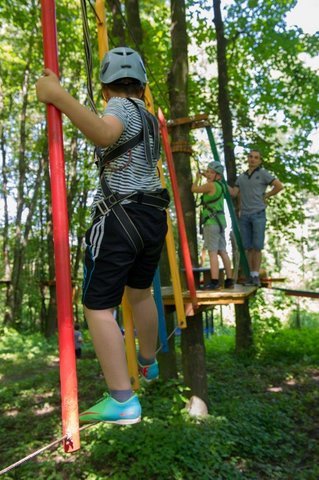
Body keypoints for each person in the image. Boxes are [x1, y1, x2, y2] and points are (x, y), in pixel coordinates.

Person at [36, 47, 170, 425]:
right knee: (141, 293)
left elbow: (103, 132)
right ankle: (148, 360)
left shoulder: (121, 107)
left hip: (120, 217)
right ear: (142, 85)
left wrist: (58, 96)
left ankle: (122, 399)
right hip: (151, 216)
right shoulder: (148, 117)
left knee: (98, 307)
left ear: (106, 89)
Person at [230, 149, 284, 286]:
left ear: (259, 161)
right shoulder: (241, 177)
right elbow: (234, 193)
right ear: (247, 159)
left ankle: (255, 275)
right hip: (245, 215)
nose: (253, 159)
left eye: (256, 157)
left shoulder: (263, 174)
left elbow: (279, 186)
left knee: (257, 246)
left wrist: (266, 195)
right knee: (248, 247)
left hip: (258, 213)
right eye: (251, 157)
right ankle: (250, 276)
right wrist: (220, 182)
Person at [191, 161, 234, 290]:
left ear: (218, 176)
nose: (208, 174)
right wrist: (207, 175)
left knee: (212, 252)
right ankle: (229, 280)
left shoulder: (210, 186)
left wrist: (197, 178)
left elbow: (194, 189)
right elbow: (212, 180)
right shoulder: (221, 186)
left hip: (211, 223)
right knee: (223, 251)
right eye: (208, 171)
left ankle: (214, 281)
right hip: (220, 222)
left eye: (212, 172)